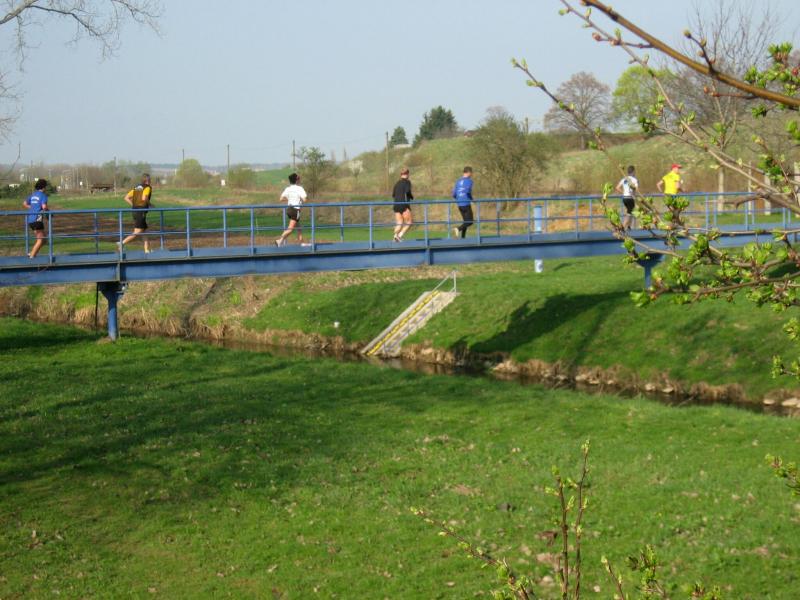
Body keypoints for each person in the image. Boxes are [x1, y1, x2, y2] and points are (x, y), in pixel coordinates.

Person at [119, 173, 153, 253]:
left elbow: (126, 198)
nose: (150, 181)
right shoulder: (147, 187)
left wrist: (134, 205)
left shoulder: (137, 187)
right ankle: (122, 243)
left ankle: (147, 250)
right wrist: (150, 204)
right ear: (147, 180)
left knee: (143, 231)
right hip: (141, 212)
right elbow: (144, 198)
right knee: (137, 231)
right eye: (150, 179)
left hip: (135, 211)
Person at [275, 172, 307, 246]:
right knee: (290, 229)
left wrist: (289, 199)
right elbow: (305, 199)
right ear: (296, 180)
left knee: (299, 228)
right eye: (299, 178)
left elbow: (281, 199)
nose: (299, 180)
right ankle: (279, 240)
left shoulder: (288, 188)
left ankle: (302, 243)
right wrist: (300, 200)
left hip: (289, 209)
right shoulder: (300, 188)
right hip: (296, 210)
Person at [24, 178, 49, 259]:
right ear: (44, 187)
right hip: (37, 220)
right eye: (46, 186)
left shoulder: (33, 194)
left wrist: (33, 208)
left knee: (44, 239)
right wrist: (49, 212)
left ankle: (32, 253)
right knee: (40, 239)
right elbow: (44, 207)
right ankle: (32, 256)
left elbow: (24, 203)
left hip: (30, 220)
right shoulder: (43, 195)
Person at [391, 167, 413, 242]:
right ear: (407, 174)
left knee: (399, 222)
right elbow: (407, 192)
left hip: (396, 205)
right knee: (409, 222)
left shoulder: (397, 183)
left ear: (401, 174)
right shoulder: (407, 182)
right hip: (404, 205)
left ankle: (395, 236)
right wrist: (411, 197)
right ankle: (399, 236)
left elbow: (393, 195)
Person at [452, 166, 474, 239]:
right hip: (466, 203)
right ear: (469, 172)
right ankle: (458, 229)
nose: (472, 174)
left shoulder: (458, 181)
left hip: (459, 204)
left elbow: (454, 194)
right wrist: (472, 200)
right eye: (471, 173)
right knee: (470, 222)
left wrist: (458, 199)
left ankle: (463, 237)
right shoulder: (469, 181)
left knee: (465, 221)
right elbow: (468, 192)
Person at [614, 165, 639, 230]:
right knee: (629, 213)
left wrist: (624, 192)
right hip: (630, 198)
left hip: (625, 198)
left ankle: (629, 227)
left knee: (630, 211)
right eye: (635, 171)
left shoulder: (624, 179)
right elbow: (636, 189)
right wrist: (634, 194)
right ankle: (621, 227)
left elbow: (617, 188)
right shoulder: (634, 180)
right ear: (633, 172)